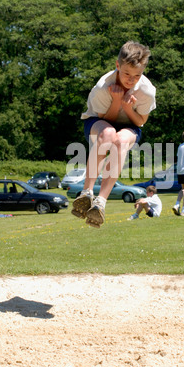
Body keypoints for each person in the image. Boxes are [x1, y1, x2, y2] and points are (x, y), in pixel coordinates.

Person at [71, 41, 156, 228]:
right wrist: (117, 101)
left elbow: (141, 121)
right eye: (126, 73)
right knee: (109, 134)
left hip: (130, 126)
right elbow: (106, 118)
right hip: (98, 123)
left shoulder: (146, 91)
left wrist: (127, 106)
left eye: (137, 75)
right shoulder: (103, 87)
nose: (131, 80)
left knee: (120, 140)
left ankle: (101, 202)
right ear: (117, 65)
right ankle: (86, 192)